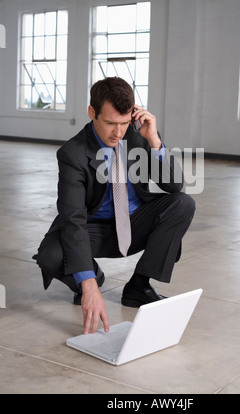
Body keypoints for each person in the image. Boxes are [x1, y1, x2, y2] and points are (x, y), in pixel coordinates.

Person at [33, 77, 195, 335]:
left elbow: (174, 186)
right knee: (49, 256)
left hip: (134, 222)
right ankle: (91, 278)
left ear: (132, 115)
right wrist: (88, 283)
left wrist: (154, 142)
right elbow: (73, 218)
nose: (117, 133)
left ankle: (139, 286)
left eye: (123, 123)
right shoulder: (72, 153)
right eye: (109, 123)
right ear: (91, 113)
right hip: (93, 227)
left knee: (182, 203)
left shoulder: (140, 134)